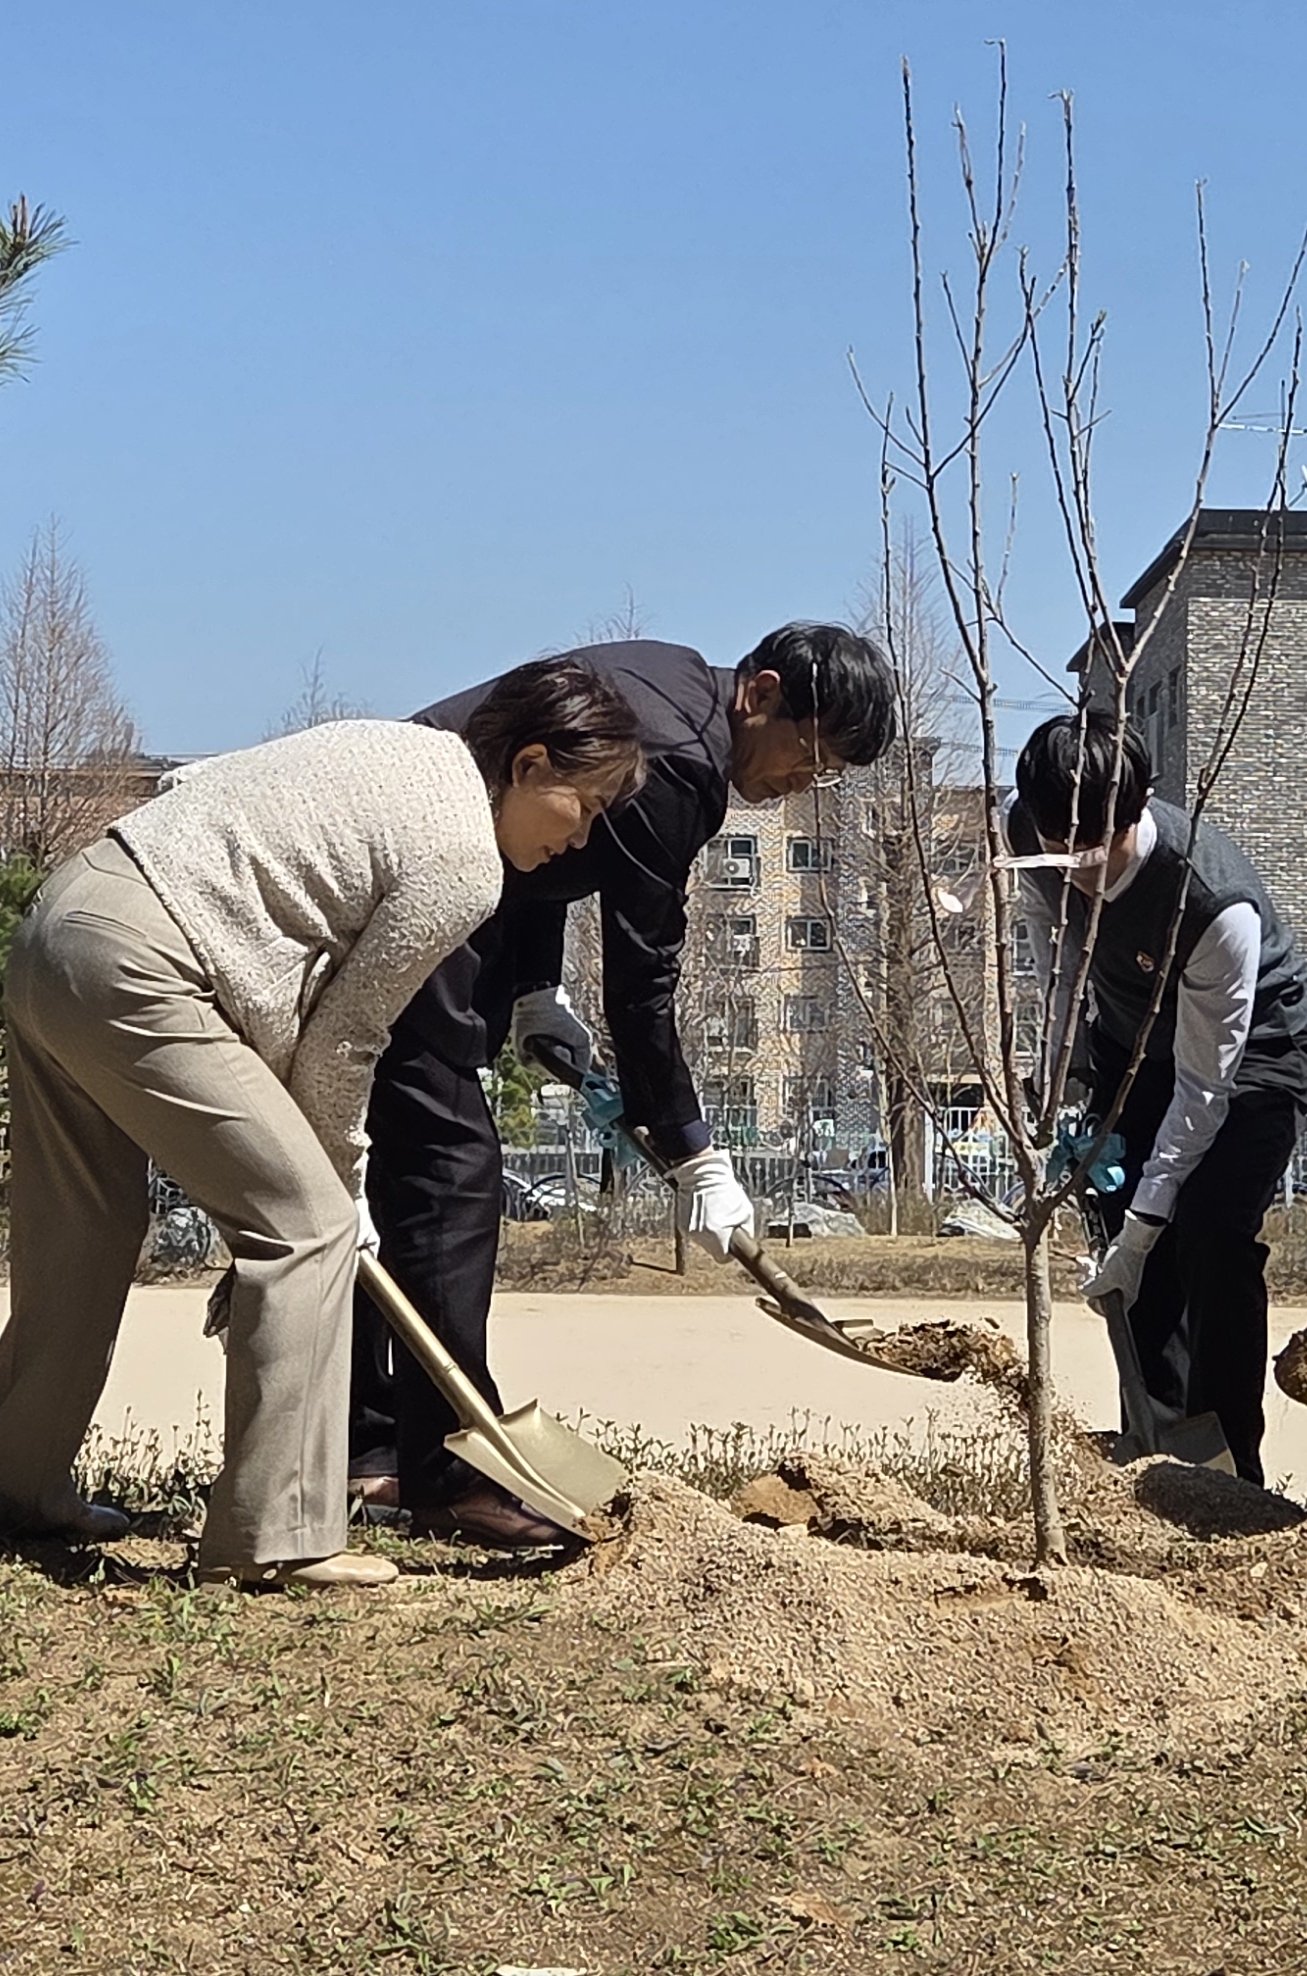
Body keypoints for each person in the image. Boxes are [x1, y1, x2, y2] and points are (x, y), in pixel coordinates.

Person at [0, 659, 647, 1589]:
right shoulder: (463, 861)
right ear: (528, 766)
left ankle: (10, 1488)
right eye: (587, 806)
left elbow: (204, 798)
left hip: (64, 924)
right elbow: (348, 1040)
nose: (583, 837)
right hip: (146, 963)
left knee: (86, 1229)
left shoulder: (406, 751)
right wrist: (339, 1185)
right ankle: (274, 1534)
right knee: (306, 1229)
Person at [347, 624, 899, 1546]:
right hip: (419, 880)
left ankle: (368, 1457)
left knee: (407, 1173)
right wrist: (696, 1156)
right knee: (449, 1175)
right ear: (760, 695)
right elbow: (644, 986)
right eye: (813, 754)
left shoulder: (668, 676)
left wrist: (534, 988)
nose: (811, 782)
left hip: (435, 872)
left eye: (833, 771)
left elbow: (551, 856)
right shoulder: (680, 761)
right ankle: (445, 1472)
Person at [1009, 710, 1307, 1486]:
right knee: (1127, 1252)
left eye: (1090, 849)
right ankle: (1155, 1443)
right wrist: (1056, 1086)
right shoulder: (1035, 830)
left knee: (1209, 1232)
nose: (1073, 867)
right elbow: (1060, 968)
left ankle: (1229, 1469)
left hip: (1250, 1055)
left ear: (1138, 807)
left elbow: (1203, 1087)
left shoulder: (1213, 905)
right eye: (1057, 848)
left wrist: (1150, 1227)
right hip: (1128, 1038)